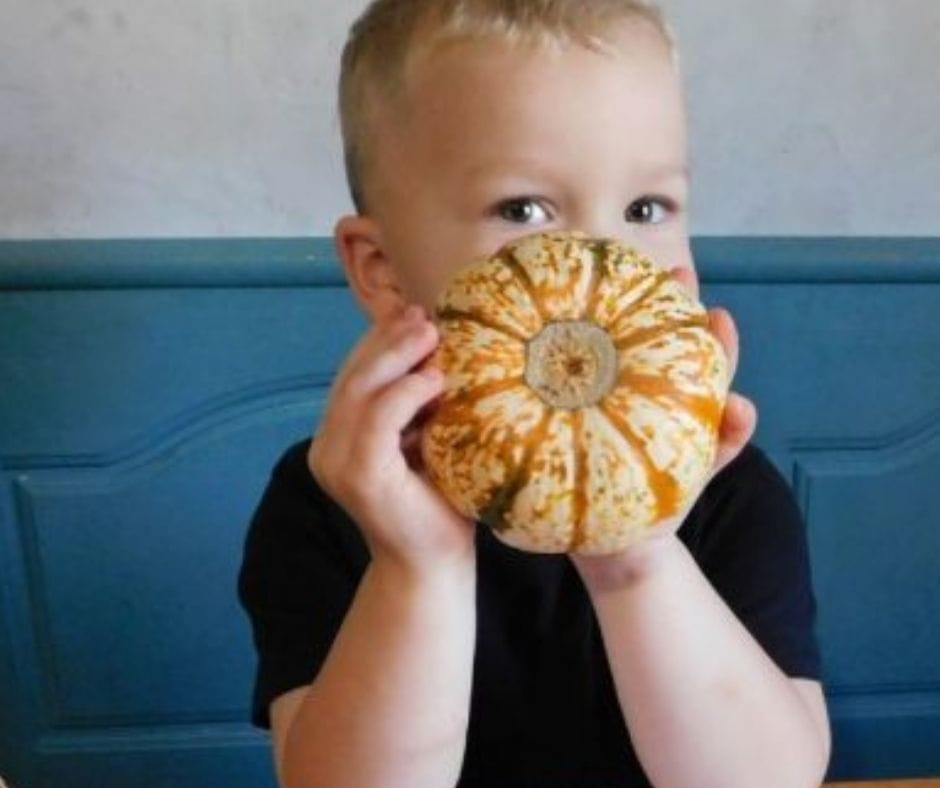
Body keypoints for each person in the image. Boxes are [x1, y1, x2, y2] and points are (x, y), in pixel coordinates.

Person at [237, 1, 831, 785]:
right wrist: (418, 569)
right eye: (523, 211)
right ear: (382, 269)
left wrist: (637, 557)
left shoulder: (730, 495)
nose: (602, 261)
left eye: (646, 209)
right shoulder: (328, 503)